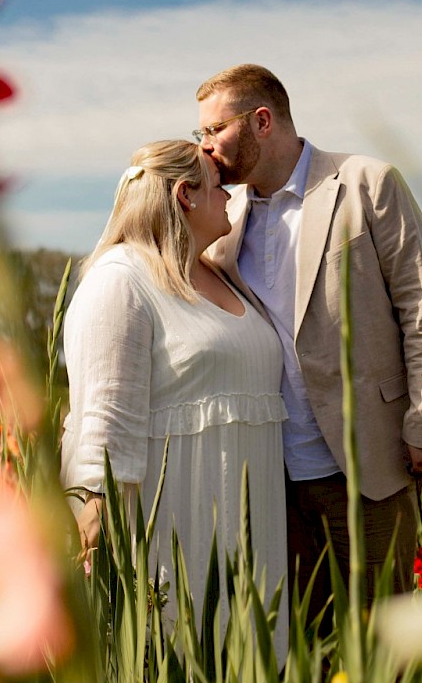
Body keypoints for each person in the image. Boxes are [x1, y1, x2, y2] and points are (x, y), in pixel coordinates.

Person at [193, 64, 422, 608]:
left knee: (387, 646)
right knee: (303, 652)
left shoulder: (366, 182)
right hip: (269, 475)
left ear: (261, 121)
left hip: (368, 463)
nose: (206, 146)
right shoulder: (224, 217)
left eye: (214, 130)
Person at [60, 140, 288, 656]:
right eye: (218, 186)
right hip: (177, 530)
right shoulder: (121, 281)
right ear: (185, 195)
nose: (231, 197)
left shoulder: (217, 272)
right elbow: (103, 417)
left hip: (251, 527)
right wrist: (95, 523)